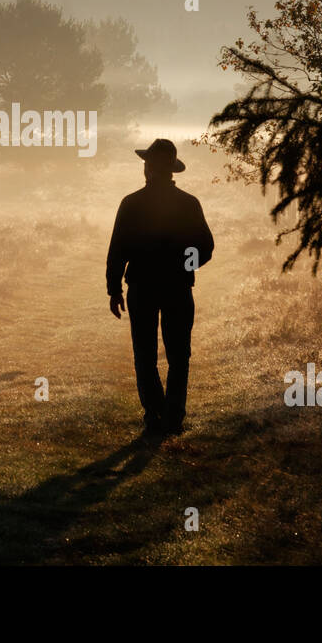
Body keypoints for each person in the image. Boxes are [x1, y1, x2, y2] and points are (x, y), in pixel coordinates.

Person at [106, 138, 213, 436]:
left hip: (142, 287)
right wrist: (184, 266)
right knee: (180, 354)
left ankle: (154, 413)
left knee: (145, 353)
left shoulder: (131, 203)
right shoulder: (188, 204)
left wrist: (114, 288)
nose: (145, 168)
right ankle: (173, 417)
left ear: (150, 168)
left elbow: (118, 250)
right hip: (178, 288)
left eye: (147, 163)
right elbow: (205, 247)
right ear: (171, 170)